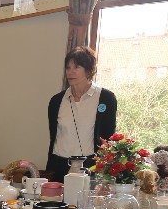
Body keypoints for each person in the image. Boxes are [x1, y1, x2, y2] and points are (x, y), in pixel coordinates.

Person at [46, 46, 117, 182]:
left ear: (89, 70)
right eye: (68, 68)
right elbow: (54, 137)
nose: (70, 72)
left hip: (91, 168)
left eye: (76, 67)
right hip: (59, 167)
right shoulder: (56, 101)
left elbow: (108, 138)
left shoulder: (106, 98)